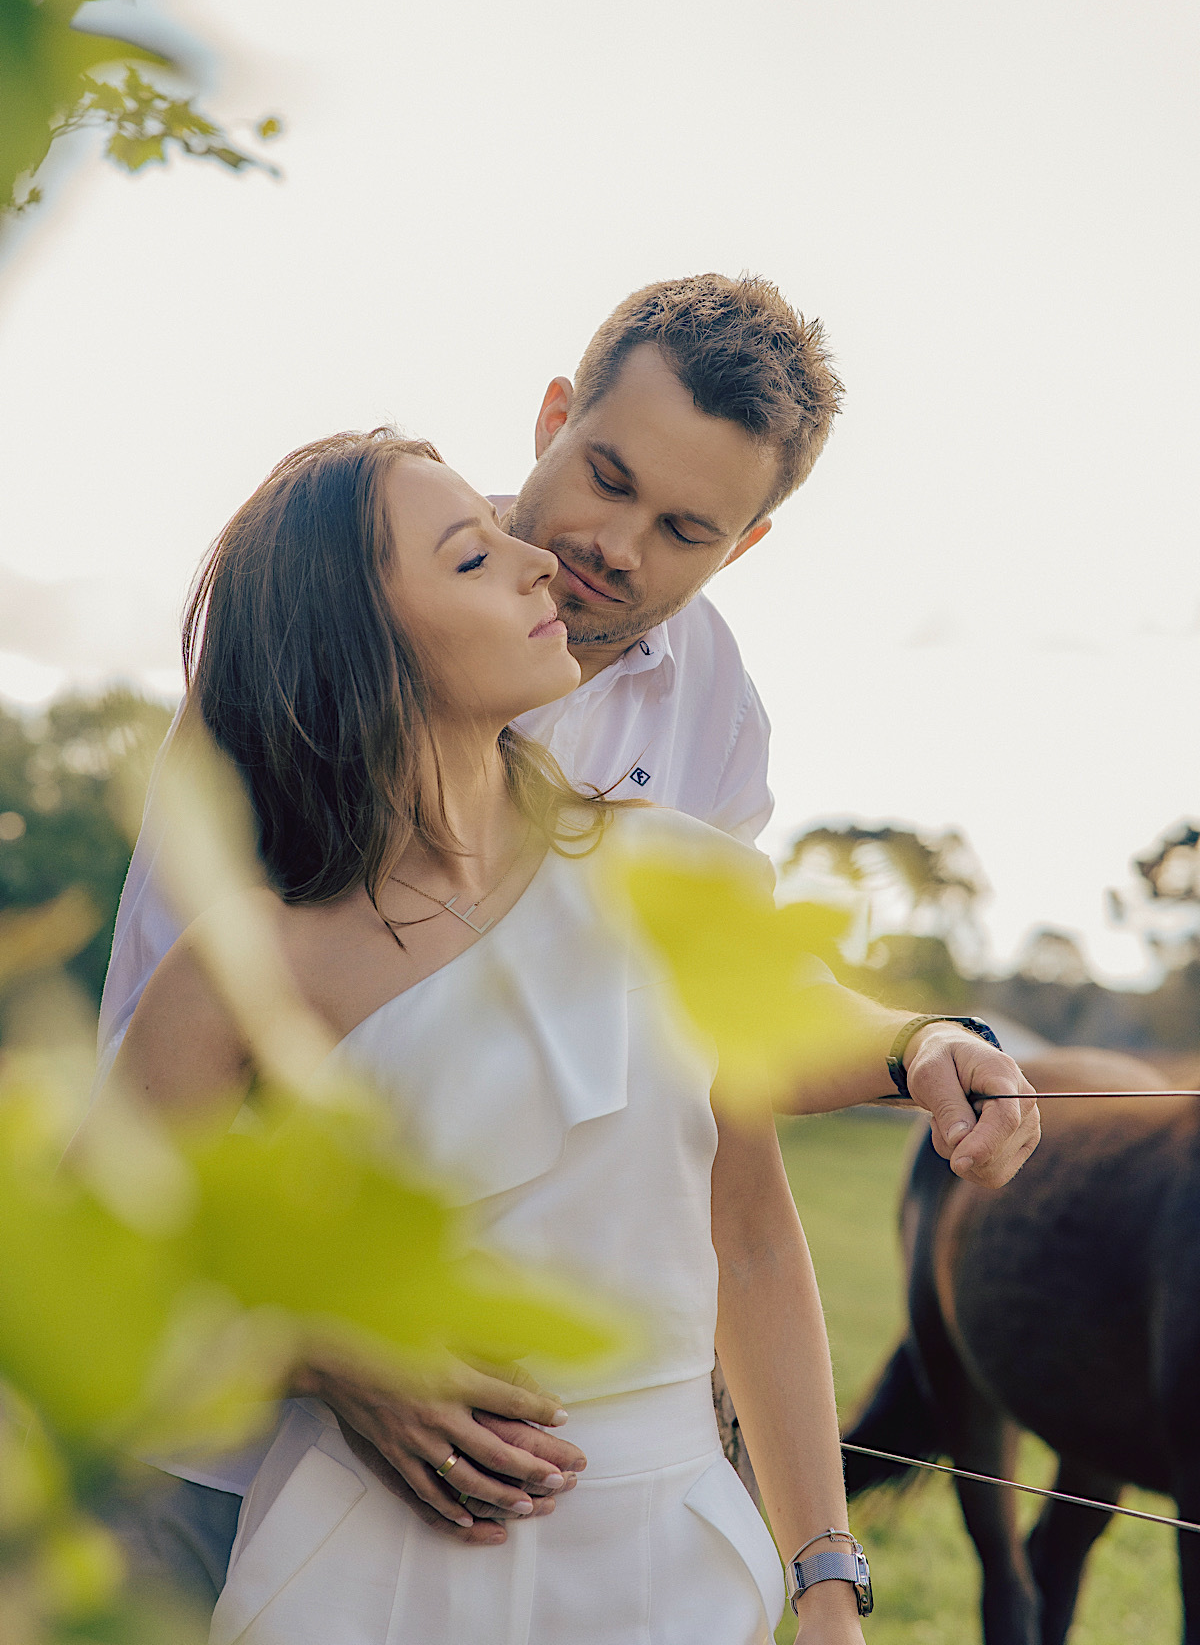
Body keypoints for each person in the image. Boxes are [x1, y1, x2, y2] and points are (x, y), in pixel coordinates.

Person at [97, 274, 1038, 1597]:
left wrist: (918, 1038)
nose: (608, 549)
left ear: (744, 545)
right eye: (603, 475)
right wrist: (333, 1348)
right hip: (230, 1446)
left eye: (685, 529)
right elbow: (168, 1123)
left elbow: (720, 1072)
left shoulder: (709, 714)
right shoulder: (326, 630)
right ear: (552, 416)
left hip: (573, 1506)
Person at [108, 431, 873, 1644]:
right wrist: (318, 1357)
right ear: (362, 644)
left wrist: (825, 1588)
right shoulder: (243, 971)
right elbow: (98, 1276)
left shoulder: (673, 873)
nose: (538, 565)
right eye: (473, 556)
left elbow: (754, 1226)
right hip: (362, 1575)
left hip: (663, 1573)